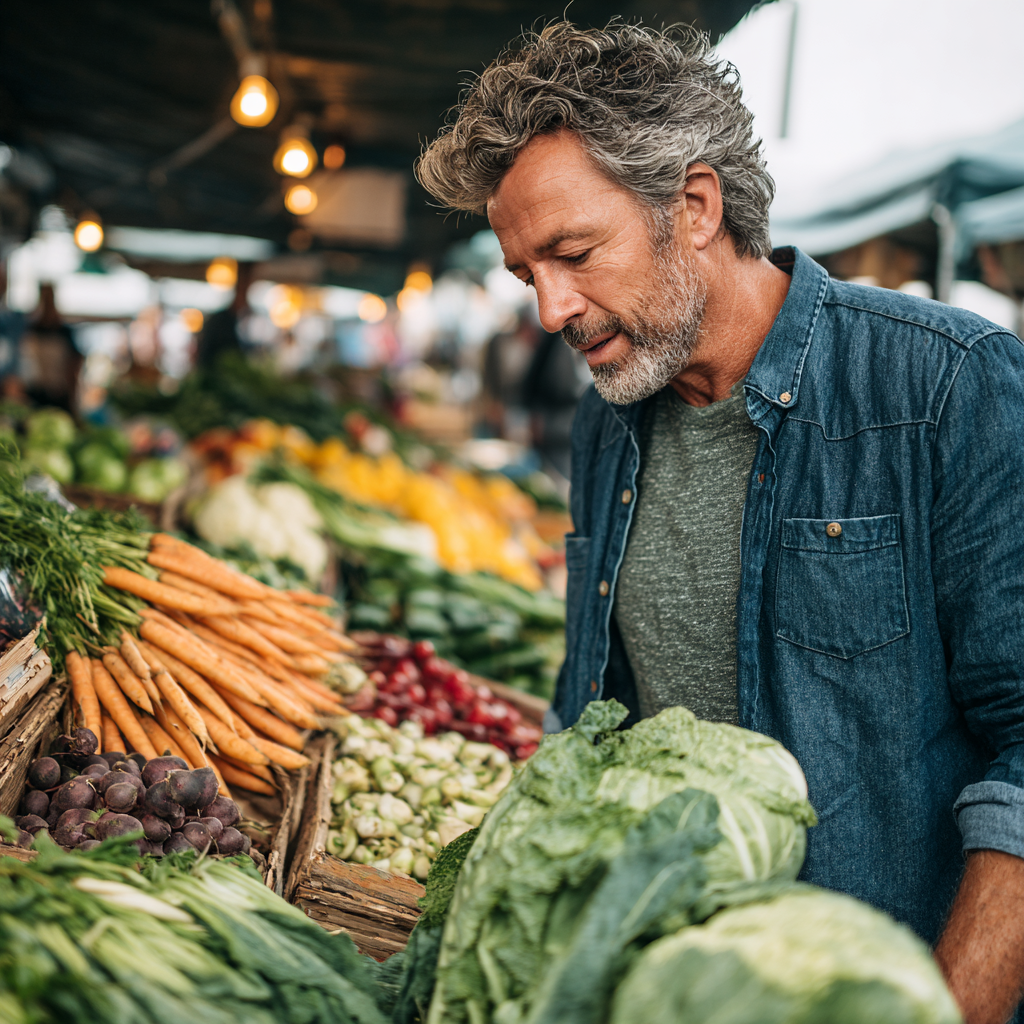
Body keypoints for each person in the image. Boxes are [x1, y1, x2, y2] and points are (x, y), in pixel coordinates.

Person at [416, 21, 1024, 1024]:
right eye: (528, 273)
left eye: (572, 253)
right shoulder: (606, 420)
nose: (549, 310)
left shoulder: (946, 386)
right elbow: (592, 724)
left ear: (695, 206)